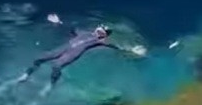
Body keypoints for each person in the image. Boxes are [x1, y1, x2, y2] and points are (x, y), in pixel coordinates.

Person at [17, 13, 147, 87]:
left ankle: (52, 84)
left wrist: (132, 50)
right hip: (63, 48)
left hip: (72, 54)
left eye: (102, 32)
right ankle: (27, 75)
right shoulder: (83, 32)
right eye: (99, 30)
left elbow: (115, 46)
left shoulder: (100, 41)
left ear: (104, 35)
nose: (99, 32)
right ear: (97, 29)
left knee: (56, 66)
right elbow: (70, 28)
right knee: (39, 58)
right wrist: (58, 22)